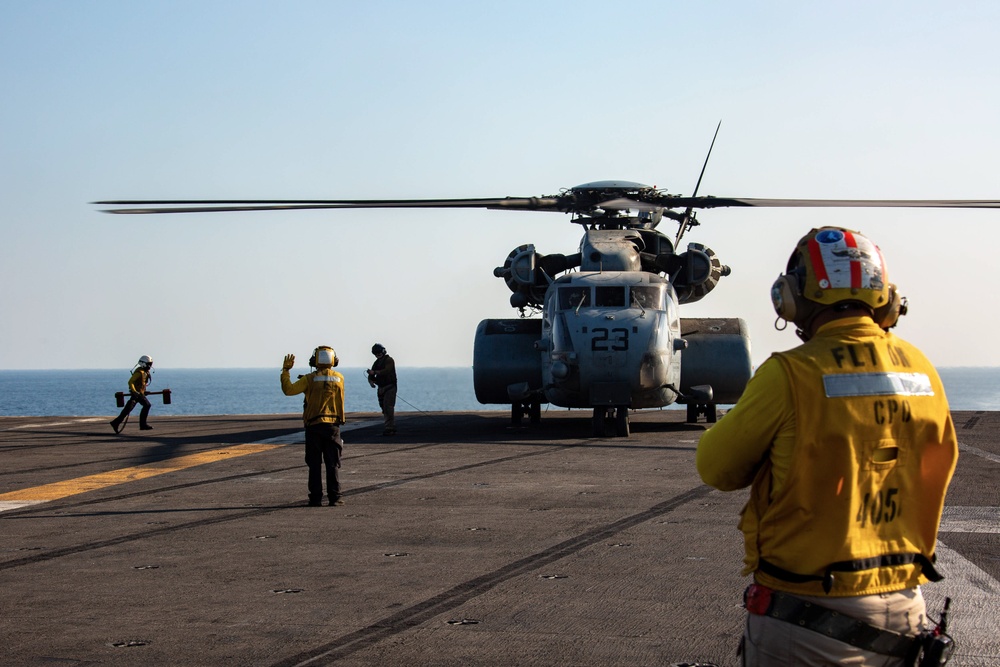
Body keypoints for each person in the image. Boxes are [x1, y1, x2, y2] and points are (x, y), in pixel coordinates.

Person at [696, 227, 957, 666]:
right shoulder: (922, 370)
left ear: (791, 299)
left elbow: (716, 469)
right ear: (887, 298)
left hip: (808, 618)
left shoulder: (789, 375)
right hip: (906, 611)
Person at [280, 346, 346, 507]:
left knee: (314, 464)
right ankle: (335, 498)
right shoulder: (339, 378)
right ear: (334, 361)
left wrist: (285, 371)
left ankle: (315, 498)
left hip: (314, 427)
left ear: (314, 361)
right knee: (332, 464)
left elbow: (288, 390)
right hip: (332, 427)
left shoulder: (309, 379)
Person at [110, 355, 155, 433]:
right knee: (142, 406)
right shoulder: (139, 372)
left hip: (139, 394)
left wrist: (144, 392)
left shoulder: (145, 372)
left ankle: (116, 422)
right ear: (144, 363)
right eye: (149, 364)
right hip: (137, 394)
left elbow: (142, 384)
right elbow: (131, 382)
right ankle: (142, 425)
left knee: (132, 408)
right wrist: (134, 392)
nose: (150, 366)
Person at [366, 343, 397, 435]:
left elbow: (387, 371)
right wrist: (371, 381)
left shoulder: (389, 360)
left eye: (379, 352)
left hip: (390, 387)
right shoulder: (377, 362)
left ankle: (390, 427)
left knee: (388, 407)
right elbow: (371, 375)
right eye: (376, 353)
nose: (378, 354)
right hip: (381, 388)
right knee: (383, 408)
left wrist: (375, 372)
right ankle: (388, 426)